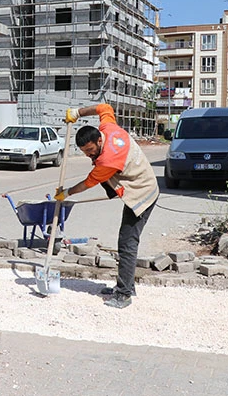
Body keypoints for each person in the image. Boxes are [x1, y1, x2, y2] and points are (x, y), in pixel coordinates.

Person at [55, 104, 159, 309]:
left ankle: (124, 294)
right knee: (127, 241)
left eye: (91, 150)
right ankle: (127, 285)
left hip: (142, 194)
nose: (89, 155)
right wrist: (78, 112)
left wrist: (67, 193)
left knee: (127, 242)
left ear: (99, 140)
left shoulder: (107, 161)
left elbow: (87, 183)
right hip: (139, 183)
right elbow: (104, 107)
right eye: (85, 152)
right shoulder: (108, 129)